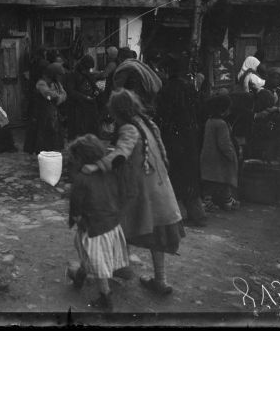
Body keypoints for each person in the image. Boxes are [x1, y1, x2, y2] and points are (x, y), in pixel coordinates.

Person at [83, 89, 185, 295]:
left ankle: (112, 269)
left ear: (116, 111)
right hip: (159, 185)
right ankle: (160, 280)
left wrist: (97, 166)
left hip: (140, 190)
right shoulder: (148, 124)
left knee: (120, 224)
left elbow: (121, 154)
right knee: (157, 232)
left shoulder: (129, 129)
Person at [67, 134, 130, 312]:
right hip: (112, 223)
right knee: (92, 254)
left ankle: (105, 297)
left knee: (95, 258)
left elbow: (76, 208)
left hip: (93, 227)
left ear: (79, 158)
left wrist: (78, 221)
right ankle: (79, 276)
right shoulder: (110, 172)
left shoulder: (81, 179)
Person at [156, 55, 207, 226]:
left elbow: (163, 116)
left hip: (173, 138)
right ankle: (197, 214)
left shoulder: (166, 90)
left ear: (166, 71)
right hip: (191, 137)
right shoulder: (190, 88)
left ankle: (178, 216)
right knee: (190, 174)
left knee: (175, 174)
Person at [200, 94, 240, 212]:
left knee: (211, 180)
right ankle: (223, 201)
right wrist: (231, 155)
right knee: (225, 179)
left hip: (208, 156)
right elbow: (224, 143)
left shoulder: (209, 121)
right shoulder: (221, 124)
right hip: (219, 158)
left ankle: (214, 200)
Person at [23, 63, 67, 154]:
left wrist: (58, 98)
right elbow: (47, 93)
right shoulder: (41, 83)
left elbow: (64, 94)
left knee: (55, 130)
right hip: (41, 111)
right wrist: (56, 96)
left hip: (52, 110)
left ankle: (53, 149)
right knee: (41, 131)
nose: (59, 77)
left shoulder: (57, 83)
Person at [65, 55, 100, 140]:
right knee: (76, 129)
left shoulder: (88, 74)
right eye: (87, 68)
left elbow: (94, 86)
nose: (88, 70)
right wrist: (84, 97)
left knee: (90, 127)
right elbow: (71, 91)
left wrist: (96, 91)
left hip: (89, 104)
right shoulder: (72, 75)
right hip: (77, 106)